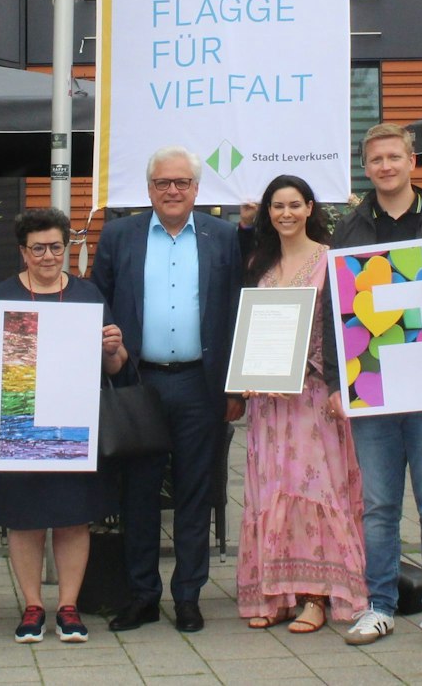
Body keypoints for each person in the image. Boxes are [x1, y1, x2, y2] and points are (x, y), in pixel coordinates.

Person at [91, 145, 245, 633]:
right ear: (149, 189)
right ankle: (142, 595)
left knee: (196, 494)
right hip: (139, 383)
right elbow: (99, 299)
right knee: (137, 495)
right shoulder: (120, 236)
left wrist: (236, 385)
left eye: (182, 183)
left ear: (197, 190)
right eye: (163, 183)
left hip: (201, 385)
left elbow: (238, 308)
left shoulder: (224, 238)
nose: (173, 191)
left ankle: (188, 595)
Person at [334, 123, 422, 650]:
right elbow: (335, 312)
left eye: (394, 157)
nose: (385, 167)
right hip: (371, 382)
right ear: (365, 169)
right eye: (376, 160)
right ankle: (379, 605)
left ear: (413, 162)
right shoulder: (348, 229)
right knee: (379, 503)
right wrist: (337, 384)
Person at [0, 208, 124, 644]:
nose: (49, 256)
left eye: (57, 246)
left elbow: (115, 364)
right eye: (39, 248)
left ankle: (69, 608)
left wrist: (113, 348)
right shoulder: (1, 297)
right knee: (25, 519)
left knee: (75, 518)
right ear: (23, 252)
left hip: (74, 424)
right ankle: (33, 605)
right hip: (18, 423)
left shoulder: (87, 294)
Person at [235, 175, 365, 633]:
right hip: (270, 407)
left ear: (310, 208)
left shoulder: (329, 261)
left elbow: (344, 329)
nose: (285, 213)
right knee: (272, 492)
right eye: (277, 206)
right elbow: (251, 328)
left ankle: (317, 596)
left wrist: (325, 379)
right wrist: (251, 374)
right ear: (267, 212)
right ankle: (277, 593)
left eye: (294, 204)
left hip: (313, 398)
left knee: (316, 491)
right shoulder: (259, 263)